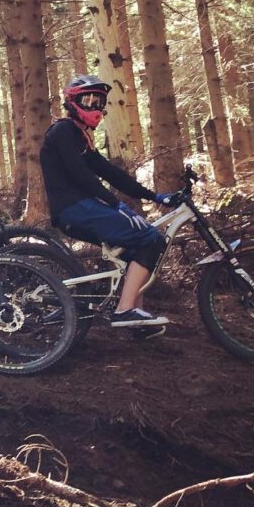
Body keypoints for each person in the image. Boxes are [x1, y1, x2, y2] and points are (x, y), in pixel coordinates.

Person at [40, 74, 176, 334]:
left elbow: (111, 173)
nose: (94, 106)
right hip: (74, 208)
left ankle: (135, 318)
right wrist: (115, 204)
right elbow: (80, 175)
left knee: (135, 250)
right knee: (151, 239)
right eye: (88, 100)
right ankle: (124, 310)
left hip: (79, 209)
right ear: (72, 102)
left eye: (99, 101)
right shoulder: (63, 131)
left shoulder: (81, 136)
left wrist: (154, 196)